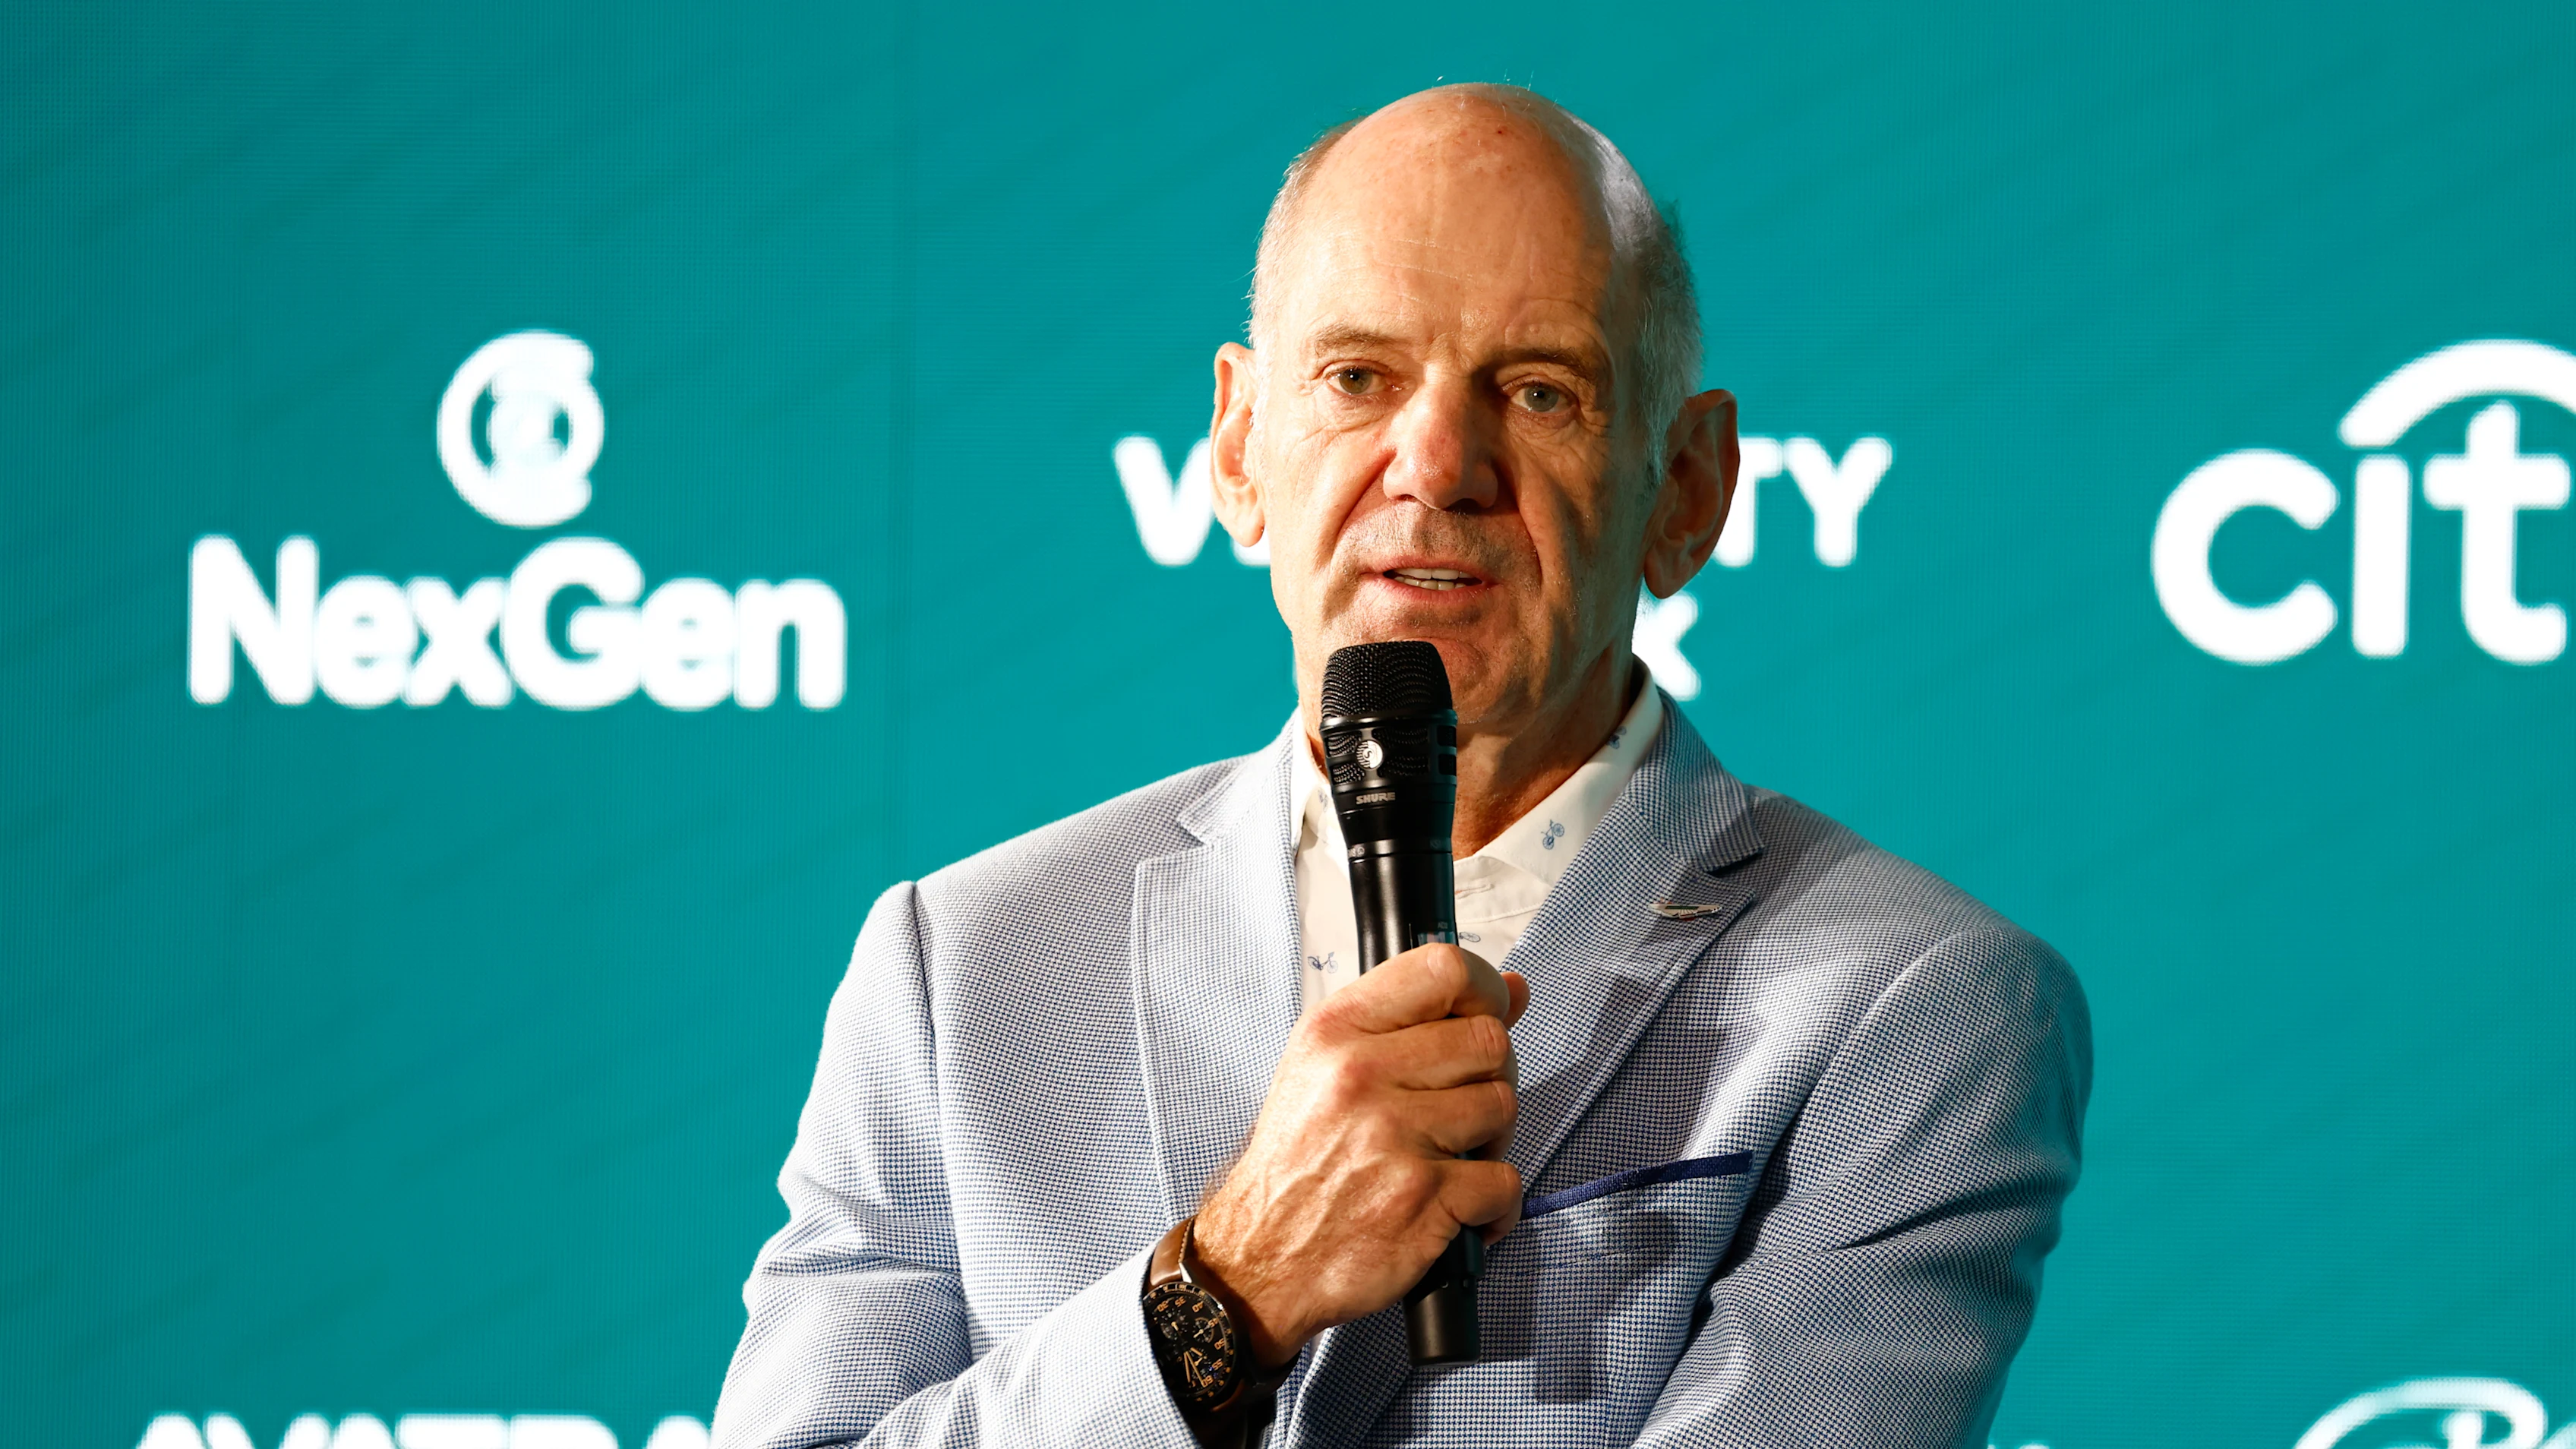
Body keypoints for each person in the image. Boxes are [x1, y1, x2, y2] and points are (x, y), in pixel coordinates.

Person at [711, 83, 2091, 1449]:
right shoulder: (958, 968)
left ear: (1687, 492)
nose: (1433, 461)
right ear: (1242, 449)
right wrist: (1222, 1294)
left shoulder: (1916, 1003)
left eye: (1539, 390)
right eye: (1358, 377)